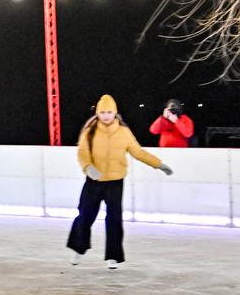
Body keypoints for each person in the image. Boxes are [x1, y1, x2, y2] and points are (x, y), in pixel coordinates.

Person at [67, 95, 174, 269]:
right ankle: (79, 249)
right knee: (85, 215)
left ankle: (113, 255)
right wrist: (88, 167)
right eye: (102, 112)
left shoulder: (124, 132)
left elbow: (138, 153)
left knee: (114, 218)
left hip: (115, 182)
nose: (106, 116)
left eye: (109, 112)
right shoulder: (91, 130)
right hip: (94, 180)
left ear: (115, 112)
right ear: (98, 113)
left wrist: (158, 164)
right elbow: (82, 152)